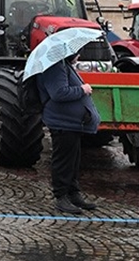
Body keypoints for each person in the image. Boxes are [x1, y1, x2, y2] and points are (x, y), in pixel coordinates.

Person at [36, 53, 101, 214]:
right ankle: (61, 196)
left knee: (73, 159)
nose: (79, 55)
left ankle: (73, 193)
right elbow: (59, 93)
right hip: (62, 122)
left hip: (72, 123)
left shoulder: (63, 65)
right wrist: (82, 89)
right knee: (63, 161)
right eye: (77, 52)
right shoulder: (55, 66)